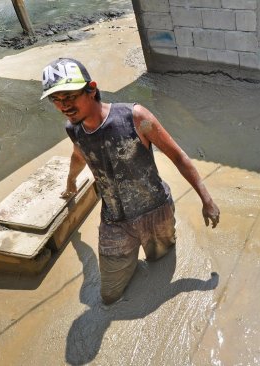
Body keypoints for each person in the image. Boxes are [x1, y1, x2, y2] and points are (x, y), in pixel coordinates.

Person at [40, 58, 220, 305]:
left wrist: (207, 200)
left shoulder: (137, 118)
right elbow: (79, 154)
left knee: (160, 260)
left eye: (70, 97)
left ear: (91, 89)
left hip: (156, 211)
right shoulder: (74, 129)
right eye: (56, 100)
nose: (64, 106)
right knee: (109, 296)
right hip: (115, 222)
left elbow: (177, 156)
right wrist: (70, 182)